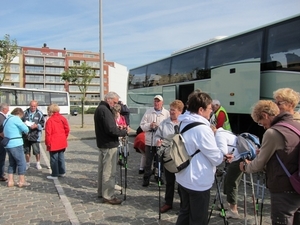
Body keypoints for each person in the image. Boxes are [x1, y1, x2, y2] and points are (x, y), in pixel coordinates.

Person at [239, 100, 300, 225]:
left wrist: (246, 167)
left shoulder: (273, 132)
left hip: (283, 188)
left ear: (265, 115)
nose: (264, 126)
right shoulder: (296, 125)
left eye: (261, 123)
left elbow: (259, 163)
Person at [175, 92, 226, 225]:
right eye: (210, 109)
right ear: (201, 110)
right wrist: (222, 149)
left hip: (182, 176)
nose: (211, 112)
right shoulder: (202, 129)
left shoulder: (183, 122)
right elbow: (216, 158)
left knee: (184, 213)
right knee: (198, 219)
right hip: (198, 180)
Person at [94, 92, 127, 205]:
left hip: (103, 143)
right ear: (109, 100)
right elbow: (111, 129)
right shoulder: (105, 110)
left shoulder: (100, 108)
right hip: (109, 144)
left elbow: (108, 127)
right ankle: (108, 195)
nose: (115, 104)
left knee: (102, 171)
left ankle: (101, 192)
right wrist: (123, 132)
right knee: (109, 172)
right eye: (114, 102)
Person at [155, 100, 184, 213]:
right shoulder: (164, 123)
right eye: (171, 109)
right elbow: (158, 136)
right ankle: (168, 203)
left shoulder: (184, 123)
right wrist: (158, 141)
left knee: (182, 182)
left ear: (180, 112)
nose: (171, 112)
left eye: (174, 110)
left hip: (181, 157)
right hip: (168, 157)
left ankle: (184, 203)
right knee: (169, 181)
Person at [140, 95, 170, 187]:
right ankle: (146, 178)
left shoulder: (166, 113)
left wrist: (160, 128)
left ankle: (158, 176)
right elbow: (142, 125)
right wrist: (150, 125)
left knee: (160, 160)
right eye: (155, 101)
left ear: (162, 103)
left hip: (161, 142)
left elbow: (169, 127)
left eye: (158, 101)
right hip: (150, 141)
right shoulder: (148, 112)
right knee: (148, 161)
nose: (156, 103)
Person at [213, 127, 242, 219]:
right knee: (229, 180)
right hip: (238, 157)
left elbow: (223, 152)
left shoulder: (219, 135)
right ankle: (229, 203)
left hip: (237, 159)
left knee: (231, 183)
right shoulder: (224, 131)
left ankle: (233, 211)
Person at [3, 107, 29, 187]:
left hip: (8, 144)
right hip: (16, 143)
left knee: (12, 163)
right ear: (19, 114)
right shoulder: (16, 119)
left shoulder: (6, 120)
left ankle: (10, 181)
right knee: (21, 162)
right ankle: (22, 181)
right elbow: (26, 129)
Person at [45, 104, 70, 179]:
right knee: (61, 157)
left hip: (53, 142)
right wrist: (64, 137)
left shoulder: (50, 120)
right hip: (62, 141)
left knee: (54, 158)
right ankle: (62, 172)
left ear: (51, 111)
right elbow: (67, 129)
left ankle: (55, 173)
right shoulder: (63, 118)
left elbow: (48, 133)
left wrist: (48, 143)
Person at [23, 100, 45, 170]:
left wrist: (37, 126)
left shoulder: (40, 113)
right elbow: (20, 122)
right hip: (26, 135)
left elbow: (42, 125)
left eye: (34, 106)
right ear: (30, 105)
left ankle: (38, 163)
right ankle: (27, 163)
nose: (33, 107)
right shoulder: (24, 113)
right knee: (26, 151)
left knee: (36, 151)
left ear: (37, 106)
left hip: (35, 136)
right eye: (31, 106)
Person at [0, 103, 9, 181]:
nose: (8, 110)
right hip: (1, 141)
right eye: (7, 108)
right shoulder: (2, 118)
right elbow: (1, 131)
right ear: (4, 109)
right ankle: (1, 175)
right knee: (2, 158)